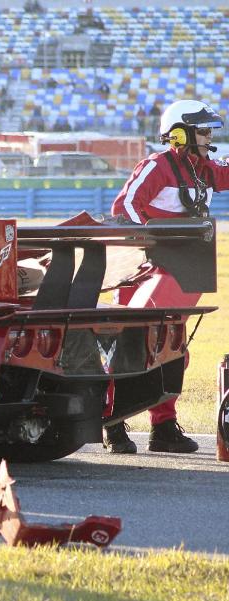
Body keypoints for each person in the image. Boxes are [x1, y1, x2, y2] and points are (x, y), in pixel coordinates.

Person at [104, 99, 229, 454]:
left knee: (172, 347)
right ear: (179, 134)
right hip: (140, 270)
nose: (208, 136)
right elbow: (124, 207)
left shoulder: (202, 168)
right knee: (129, 347)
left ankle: (163, 429)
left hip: (181, 267)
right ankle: (113, 427)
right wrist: (149, 246)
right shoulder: (155, 166)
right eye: (202, 130)